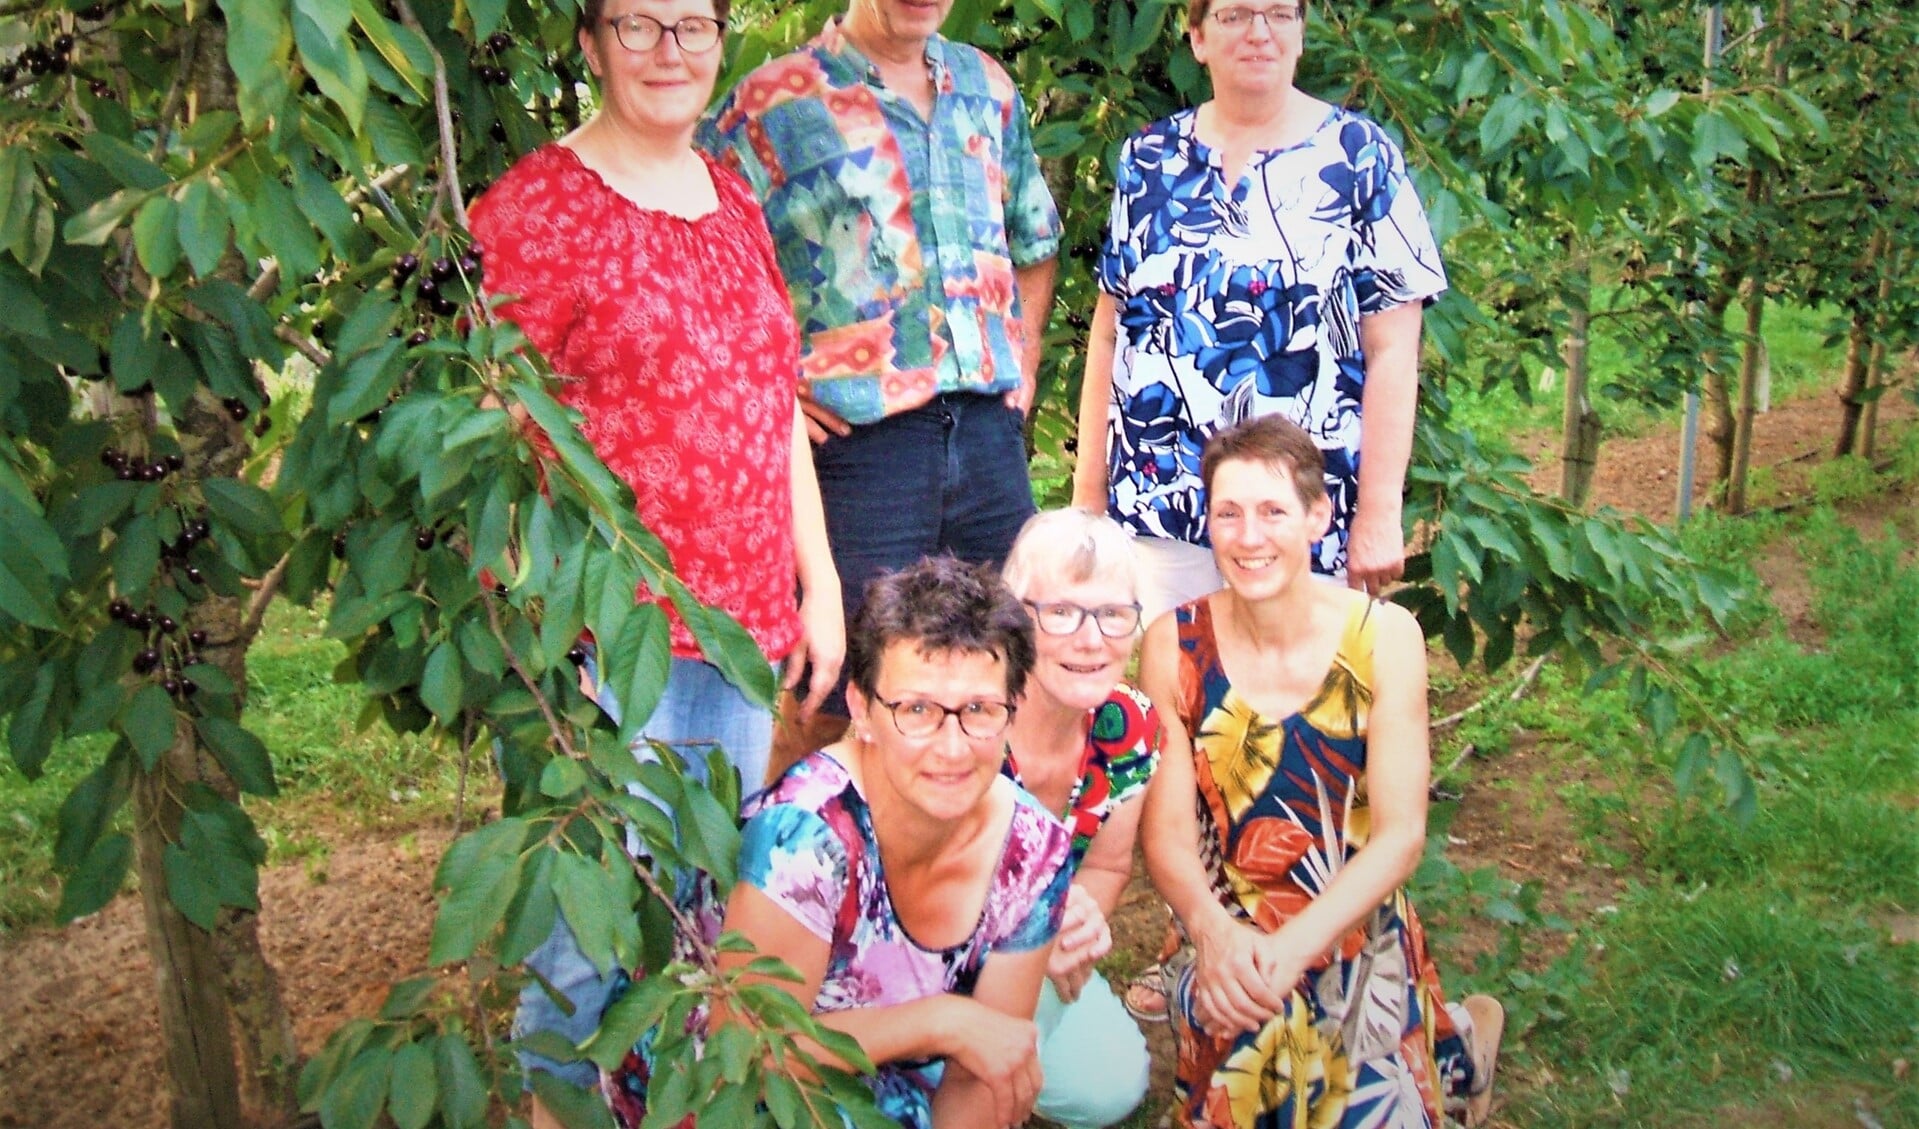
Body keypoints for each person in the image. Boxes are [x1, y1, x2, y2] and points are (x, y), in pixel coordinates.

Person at [467, 0, 843, 1110]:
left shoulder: (730, 196)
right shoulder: (536, 209)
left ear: (721, 40)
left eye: (691, 24)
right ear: (588, 45)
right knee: (582, 951)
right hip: (605, 642)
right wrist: (547, 636)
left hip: (732, 641)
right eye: (637, 24)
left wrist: (815, 583)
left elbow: (777, 406)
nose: (668, 51)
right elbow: (486, 435)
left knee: (697, 924)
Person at [700, 0, 1063, 763]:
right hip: (858, 446)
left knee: (1007, 680)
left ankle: (969, 873)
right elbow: (701, 261)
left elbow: (1035, 236)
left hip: (989, 438)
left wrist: (1022, 361)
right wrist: (768, 390)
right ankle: (791, 872)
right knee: (831, 692)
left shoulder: (987, 86)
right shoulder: (772, 103)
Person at [607, 556, 1072, 1129]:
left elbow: (985, 1068)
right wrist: (943, 1022)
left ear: (1013, 710)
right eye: (917, 709)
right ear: (862, 708)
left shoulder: (1033, 852)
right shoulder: (805, 840)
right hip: (721, 1083)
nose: (951, 748)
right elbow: (747, 1052)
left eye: (978, 709)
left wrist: (958, 1042)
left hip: (883, 1070)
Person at [1138, 415, 1501, 1128]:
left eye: (1273, 511)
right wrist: (1213, 932)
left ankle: (1458, 1051)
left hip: (1350, 919)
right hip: (1225, 925)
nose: (1249, 537)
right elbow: (1168, 836)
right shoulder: (1171, 643)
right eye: (1228, 514)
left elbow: (1399, 837)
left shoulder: (1383, 638)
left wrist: (1290, 952)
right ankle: (1447, 1041)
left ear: (1316, 515)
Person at [1072, 0, 1448, 620]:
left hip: (1301, 512)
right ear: (1197, 38)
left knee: (1300, 706)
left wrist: (1380, 512)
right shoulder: (1148, 160)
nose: (1259, 33)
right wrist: (1090, 500)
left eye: (1279, 14)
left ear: (1301, 35)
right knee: (1180, 700)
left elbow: (1393, 352)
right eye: (1236, 15)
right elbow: (1111, 337)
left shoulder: (1359, 156)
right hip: (1160, 506)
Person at [997, 508, 1162, 1128]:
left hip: (1027, 944)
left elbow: (1109, 863)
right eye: (1061, 613)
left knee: (1111, 1083)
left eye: (1113, 614)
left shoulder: (1128, 725)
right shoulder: (970, 714)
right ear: (1016, 616)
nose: (1091, 640)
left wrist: (1073, 929)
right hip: (919, 944)